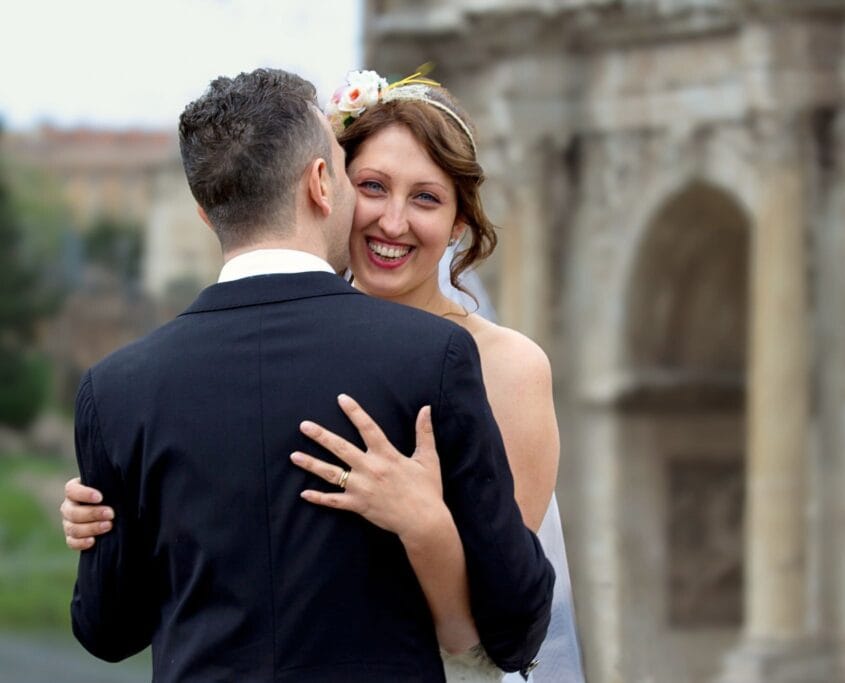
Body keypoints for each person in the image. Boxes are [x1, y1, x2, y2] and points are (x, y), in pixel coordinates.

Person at [63, 67, 554, 683]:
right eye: (371, 186)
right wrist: (108, 521)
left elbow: (494, 635)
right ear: (328, 185)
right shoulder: (438, 358)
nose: (392, 222)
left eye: (425, 197)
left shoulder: (118, 387)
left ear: (460, 223)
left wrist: (425, 522)